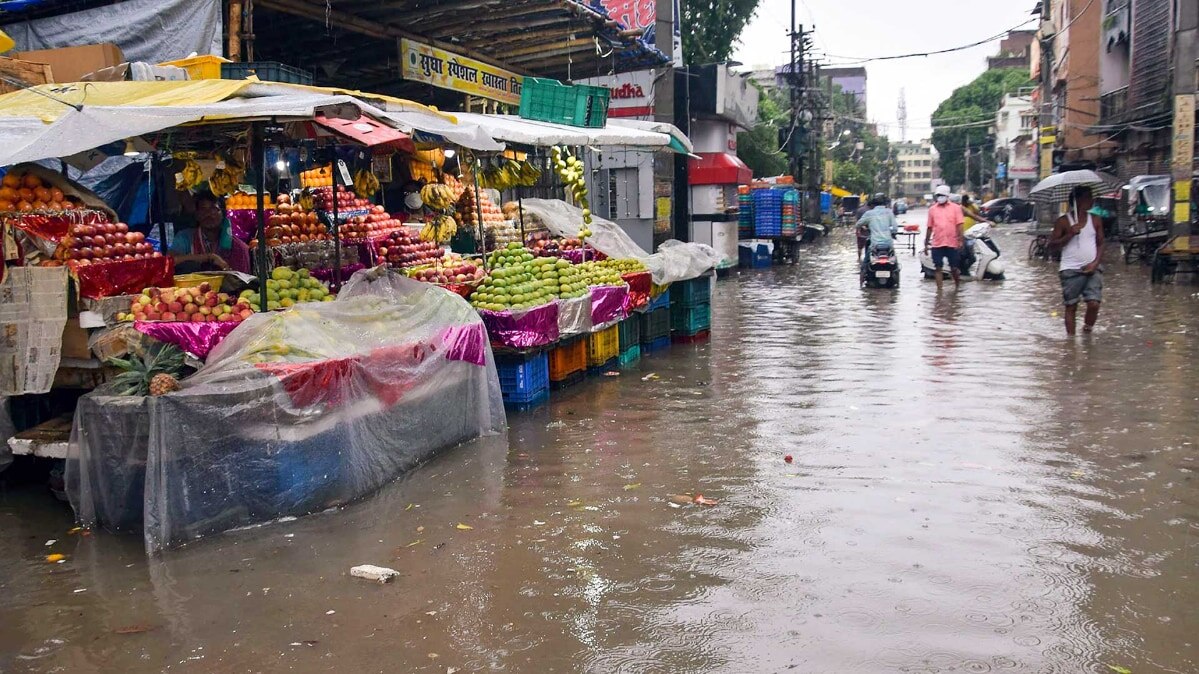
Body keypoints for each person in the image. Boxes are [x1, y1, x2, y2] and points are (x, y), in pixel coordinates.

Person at [1049, 185, 1104, 335]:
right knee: (1071, 306)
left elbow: (1100, 243)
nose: (1092, 200)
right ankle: (1071, 341)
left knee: (1094, 303)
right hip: (1070, 270)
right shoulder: (1063, 222)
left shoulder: (1095, 220)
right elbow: (1052, 246)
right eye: (1088, 197)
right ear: (1078, 200)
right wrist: (1069, 234)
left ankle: (1087, 330)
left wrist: (1095, 263)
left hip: (1093, 268)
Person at [170, 192, 252, 274]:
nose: (208, 214)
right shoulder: (185, 237)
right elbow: (170, 261)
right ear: (197, 215)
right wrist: (209, 257)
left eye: (214, 209)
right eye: (203, 209)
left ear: (223, 214)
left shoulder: (238, 247)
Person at [924, 185, 965, 290]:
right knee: (938, 268)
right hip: (937, 243)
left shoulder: (956, 208)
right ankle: (939, 291)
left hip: (952, 243)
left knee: (954, 268)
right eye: (938, 195)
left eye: (942, 195)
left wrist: (961, 240)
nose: (940, 197)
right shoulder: (932, 210)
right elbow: (929, 227)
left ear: (947, 196)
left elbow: (960, 225)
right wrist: (926, 243)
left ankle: (957, 287)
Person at [857, 192, 898, 275]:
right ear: (885, 203)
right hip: (888, 243)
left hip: (874, 243)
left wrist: (866, 226)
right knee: (894, 260)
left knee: (866, 261)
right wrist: (892, 233)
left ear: (873, 204)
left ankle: (863, 273)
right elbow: (895, 228)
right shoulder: (889, 212)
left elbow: (858, 224)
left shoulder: (869, 213)